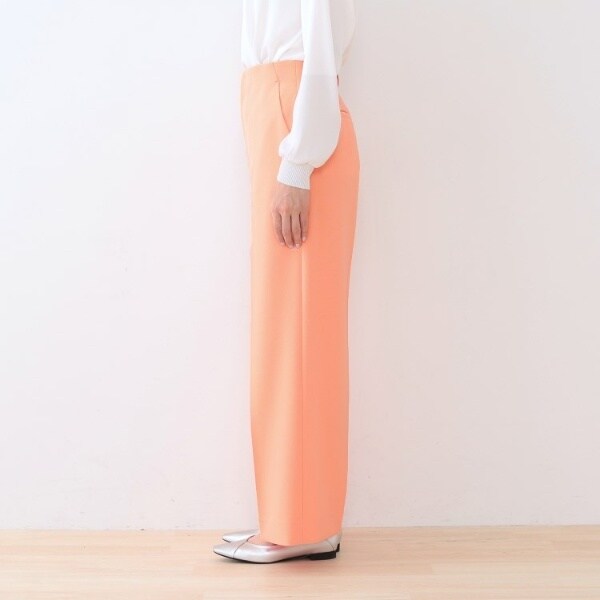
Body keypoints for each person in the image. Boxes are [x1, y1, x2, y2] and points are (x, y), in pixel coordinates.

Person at [213, 0, 359, 563]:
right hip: (277, 113)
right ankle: (296, 514)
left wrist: (298, 162)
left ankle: (300, 526)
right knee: (287, 335)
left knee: (296, 338)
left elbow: (320, 52)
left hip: (297, 127)